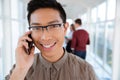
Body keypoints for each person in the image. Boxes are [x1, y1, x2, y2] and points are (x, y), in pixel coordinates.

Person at [5, 0, 97, 80]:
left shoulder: (86, 71)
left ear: (65, 28)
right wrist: (21, 69)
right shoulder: (20, 68)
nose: (45, 37)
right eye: (36, 27)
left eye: (53, 26)